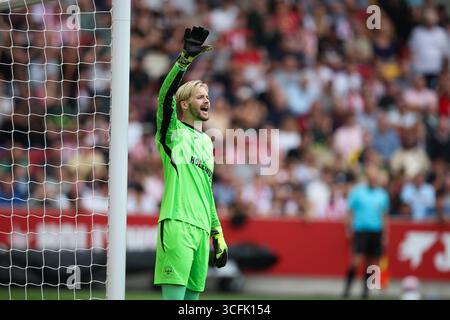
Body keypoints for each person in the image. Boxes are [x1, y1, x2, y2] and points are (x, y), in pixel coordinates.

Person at [153, 26, 228, 300]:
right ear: (184, 104)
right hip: (177, 224)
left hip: (200, 232)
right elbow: (164, 99)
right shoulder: (172, 133)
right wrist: (183, 61)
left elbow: (206, 192)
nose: (207, 100)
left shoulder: (207, 143)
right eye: (200, 96)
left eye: (208, 96)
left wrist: (217, 233)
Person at [342, 164, 389, 299]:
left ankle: (365, 292)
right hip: (361, 230)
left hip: (376, 231)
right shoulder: (358, 192)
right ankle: (347, 289)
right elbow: (350, 211)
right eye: (371, 177)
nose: (373, 179)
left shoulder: (382, 195)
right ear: (367, 178)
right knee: (356, 261)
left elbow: (384, 216)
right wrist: (348, 227)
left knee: (371, 263)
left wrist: (385, 235)